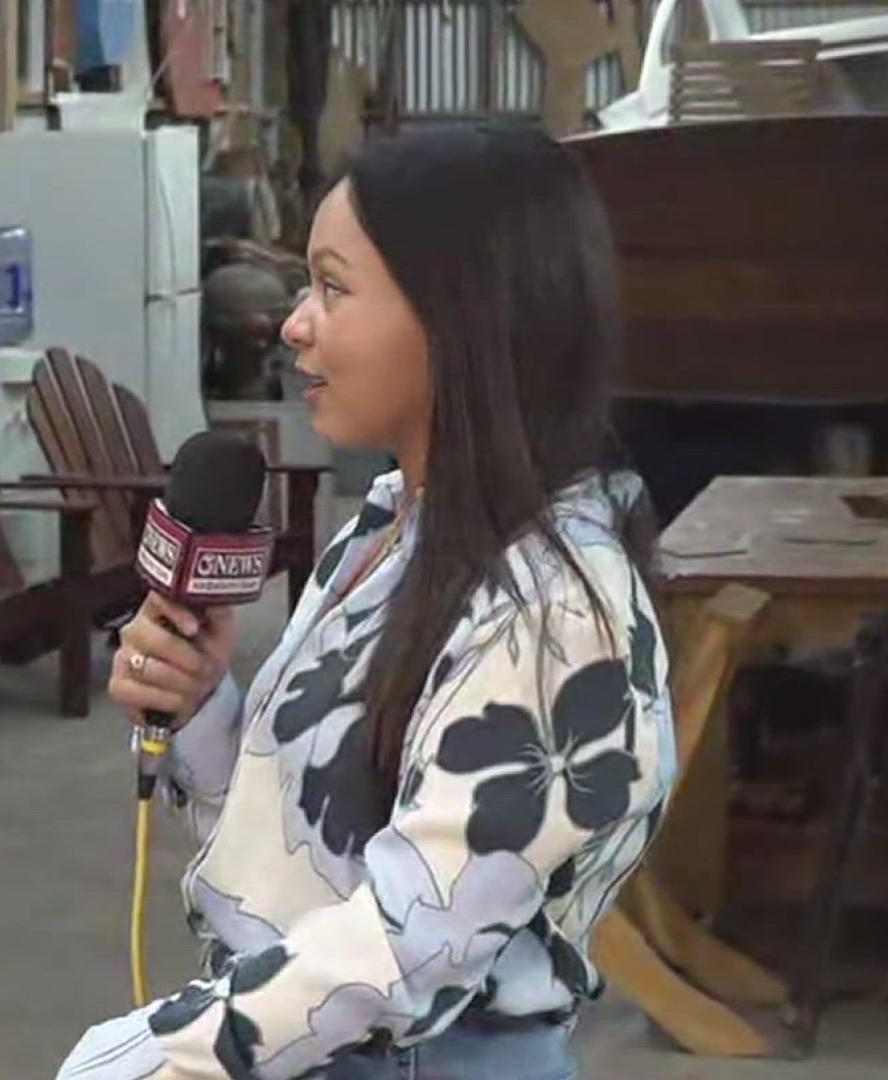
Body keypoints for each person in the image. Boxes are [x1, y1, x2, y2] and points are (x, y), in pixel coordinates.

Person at [55, 124, 671, 1080]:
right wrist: (204, 710)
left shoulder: (556, 606)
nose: (296, 323)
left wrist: (161, 1054)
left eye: (334, 288)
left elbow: (411, 940)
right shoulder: (390, 527)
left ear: (464, 318)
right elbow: (308, 856)